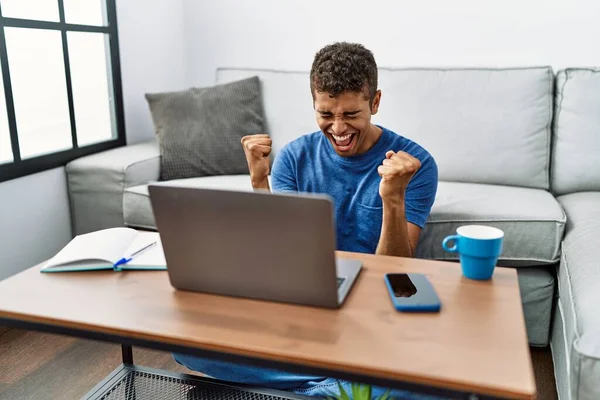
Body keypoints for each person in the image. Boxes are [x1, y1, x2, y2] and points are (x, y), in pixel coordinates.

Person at [175, 42, 439, 399]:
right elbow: (280, 253)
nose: (338, 128)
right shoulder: (294, 157)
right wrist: (258, 183)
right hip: (308, 307)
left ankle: (314, 382)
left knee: (442, 385)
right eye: (326, 114)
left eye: (351, 114)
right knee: (185, 345)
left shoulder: (415, 164)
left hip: (374, 310)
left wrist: (392, 197)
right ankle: (334, 386)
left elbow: (397, 274)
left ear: (375, 102)